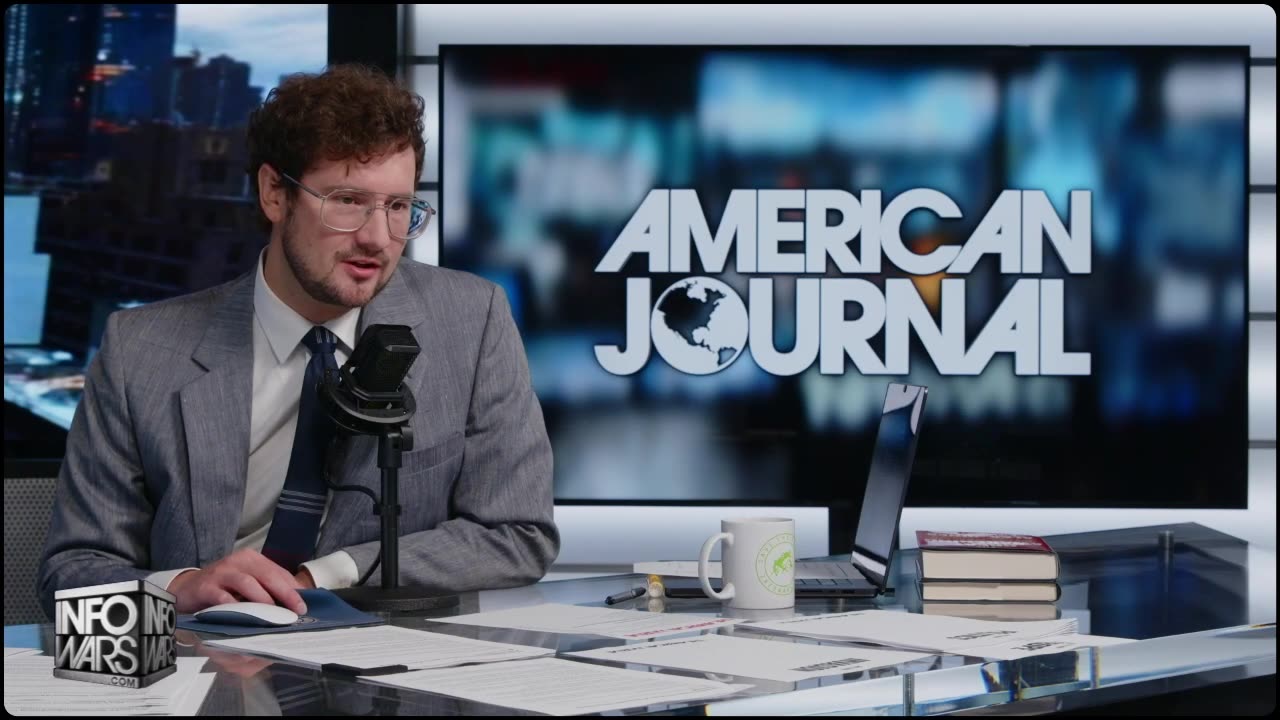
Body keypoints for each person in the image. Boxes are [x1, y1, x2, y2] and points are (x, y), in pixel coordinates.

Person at [38, 64, 559, 616]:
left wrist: (325, 575)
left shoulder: (472, 319)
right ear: (273, 193)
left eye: (399, 207)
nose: (378, 239)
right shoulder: (138, 350)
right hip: (208, 663)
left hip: (390, 672)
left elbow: (517, 533)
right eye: (347, 201)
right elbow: (71, 574)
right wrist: (177, 588)